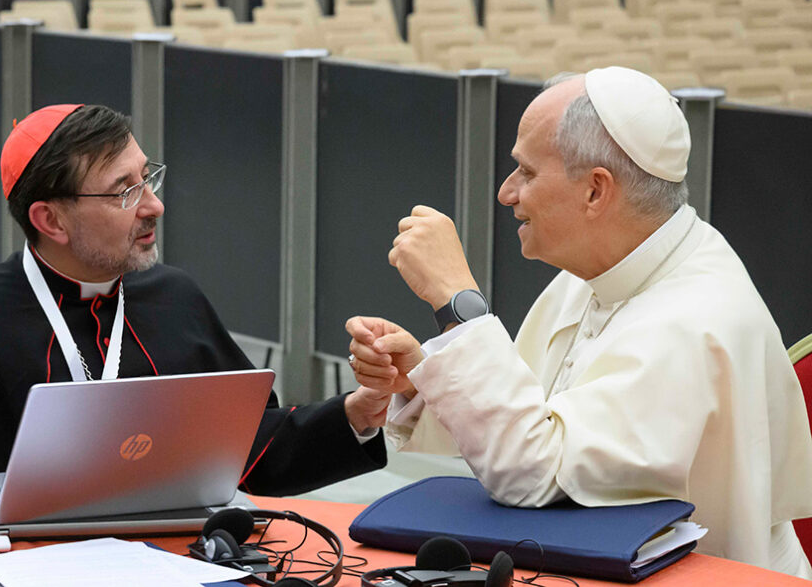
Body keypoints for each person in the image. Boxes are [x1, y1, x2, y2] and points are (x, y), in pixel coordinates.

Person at [345, 68, 812, 576]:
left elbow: (532, 475)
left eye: (525, 171)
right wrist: (422, 382)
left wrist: (458, 304)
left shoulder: (697, 319)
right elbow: (524, 425)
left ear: (595, 191)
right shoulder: (604, 266)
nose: (506, 192)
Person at [0, 103, 390, 497]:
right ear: (50, 220)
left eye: (148, 178)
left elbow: (253, 451)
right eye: (124, 192)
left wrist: (358, 413)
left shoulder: (176, 297)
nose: (154, 205)